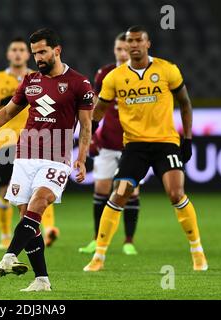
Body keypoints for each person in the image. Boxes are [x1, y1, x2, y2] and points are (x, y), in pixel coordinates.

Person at [0, 28, 94, 291]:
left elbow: (86, 125)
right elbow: (7, 112)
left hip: (57, 158)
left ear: (57, 50)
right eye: (35, 53)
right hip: (24, 155)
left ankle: (9, 255)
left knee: (39, 202)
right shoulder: (30, 81)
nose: (38, 58)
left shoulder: (79, 83)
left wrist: (82, 157)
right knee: (27, 218)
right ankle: (42, 279)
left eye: (42, 51)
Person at [84, 25, 208, 272]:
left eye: (139, 41)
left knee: (175, 194)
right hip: (134, 147)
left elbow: (185, 103)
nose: (134, 45)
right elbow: (98, 111)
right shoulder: (115, 77)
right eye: (130, 41)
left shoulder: (167, 69)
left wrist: (188, 139)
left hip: (166, 144)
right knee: (119, 194)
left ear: (148, 44)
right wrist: (85, 137)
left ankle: (197, 251)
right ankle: (98, 256)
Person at [0, 37, 60, 250]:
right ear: (8, 54)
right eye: (13, 50)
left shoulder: (37, 78)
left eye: (21, 50)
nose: (17, 53)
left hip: (34, 141)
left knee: (41, 186)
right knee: (5, 190)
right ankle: (5, 234)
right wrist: (8, 99)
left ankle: (49, 228)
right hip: (5, 142)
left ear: (28, 55)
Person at [79, 32, 140, 256]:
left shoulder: (138, 75)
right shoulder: (104, 73)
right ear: (114, 50)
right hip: (107, 144)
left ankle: (128, 241)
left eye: (126, 49)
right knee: (101, 190)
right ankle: (97, 239)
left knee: (129, 192)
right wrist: (90, 135)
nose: (123, 53)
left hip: (132, 145)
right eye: (119, 49)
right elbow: (95, 106)